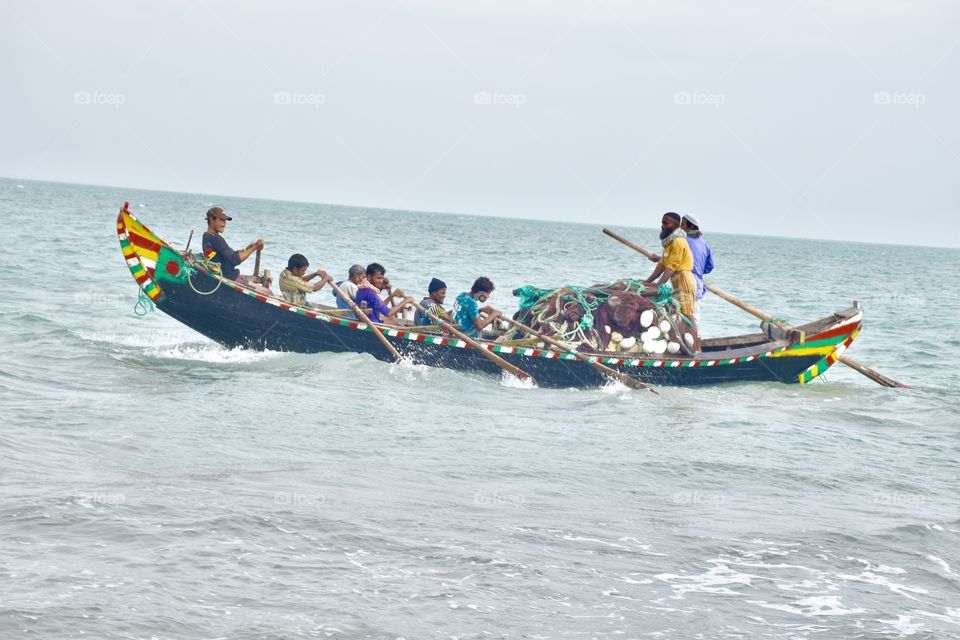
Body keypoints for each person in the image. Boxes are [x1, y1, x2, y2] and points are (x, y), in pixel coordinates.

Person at [643, 212, 700, 352]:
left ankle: (696, 347)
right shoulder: (669, 242)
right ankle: (686, 344)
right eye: (662, 222)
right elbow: (662, 265)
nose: (662, 226)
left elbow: (670, 268)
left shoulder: (678, 242)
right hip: (676, 280)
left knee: (688, 313)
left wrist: (658, 286)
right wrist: (648, 281)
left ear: (675, 225)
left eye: (666, 223)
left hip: (684, 280)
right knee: (679, 312)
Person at [201, 207, 269, 292]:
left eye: (225, 221)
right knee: (268, 292)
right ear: (211, 220)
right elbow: (235, 260)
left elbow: (230, 254)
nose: (224, 223)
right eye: (221, 220)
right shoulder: (216, 239)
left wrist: (247, 248)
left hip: (222, 275)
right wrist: (255, 247)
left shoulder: (207, 236)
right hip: (231, 278)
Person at [681, 213, 714, 303]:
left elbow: (674, 262)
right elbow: (710, 267)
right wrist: (698, 271)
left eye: (683, 224)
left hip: (685, 283)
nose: (680, 226)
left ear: (690, 226)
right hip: (698, 286)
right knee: (693, 313)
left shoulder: (683, 241)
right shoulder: (705, 244)